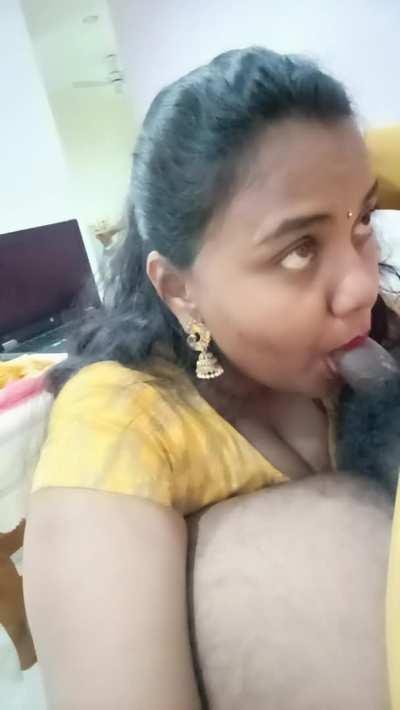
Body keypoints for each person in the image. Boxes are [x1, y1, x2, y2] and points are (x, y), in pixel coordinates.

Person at [22, 46, 400, 709]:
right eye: (299, 249)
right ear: (179, 290)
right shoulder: (119, 426)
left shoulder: (378, 332)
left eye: (363, 221)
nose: (361, 287)